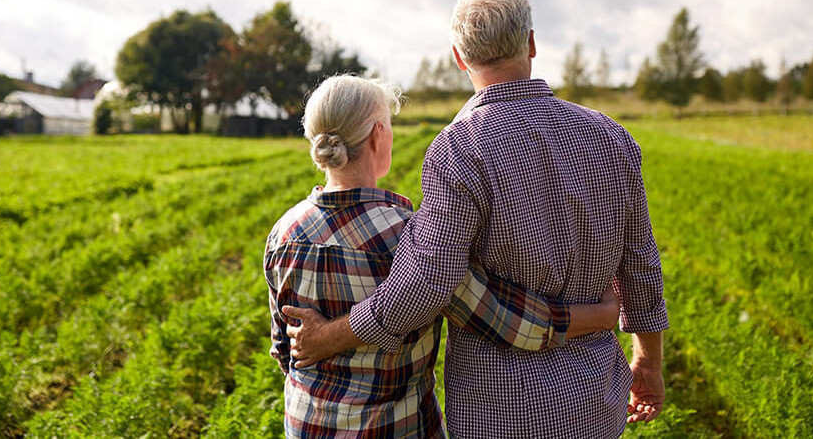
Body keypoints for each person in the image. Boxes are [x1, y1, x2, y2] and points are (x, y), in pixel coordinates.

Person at [286, 0, 670, 439]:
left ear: (458, 57)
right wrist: (647, 360)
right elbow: (642, 265)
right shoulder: (612, 137)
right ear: (530, 43)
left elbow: (427, 285)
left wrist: (328, 337)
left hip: (500, 409)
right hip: (597, 400)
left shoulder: (458, 150)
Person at [266, 74, 621, 439]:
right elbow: (504, 320)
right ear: (377, 135)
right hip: (395, 429)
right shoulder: (411, 237)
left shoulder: (284, 233)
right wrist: (597, 315)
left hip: (305, 426)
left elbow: (284, 347)